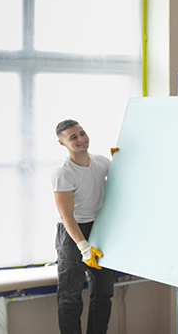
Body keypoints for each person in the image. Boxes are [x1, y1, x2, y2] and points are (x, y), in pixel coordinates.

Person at [52, 119, 117, 334]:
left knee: (104, 293)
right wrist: (84, 247)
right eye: (73, 137)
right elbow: (66, 215)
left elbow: (120, 184)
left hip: (100, 229)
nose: (81, 139)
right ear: (63, 143)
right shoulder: (63, 173)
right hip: (73, 234)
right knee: (70, 297)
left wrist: (121, 162)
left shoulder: (101, 162)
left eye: (82, 133)